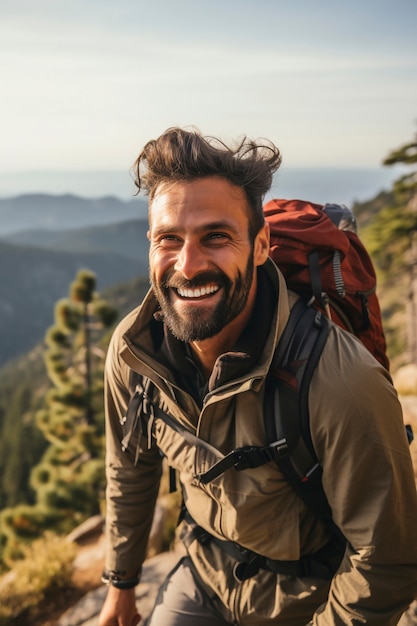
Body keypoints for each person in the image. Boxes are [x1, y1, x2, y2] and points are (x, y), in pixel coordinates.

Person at [99, 127, 417, 626]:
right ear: (150, 245)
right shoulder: (135, 353)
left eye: (216, 237)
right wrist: (120, 584)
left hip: (307, 597)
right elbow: (129, 468)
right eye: (169, 239)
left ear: (262, 244)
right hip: (203, 572)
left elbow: (386, 561)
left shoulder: (339, 380)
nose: (188, 264)